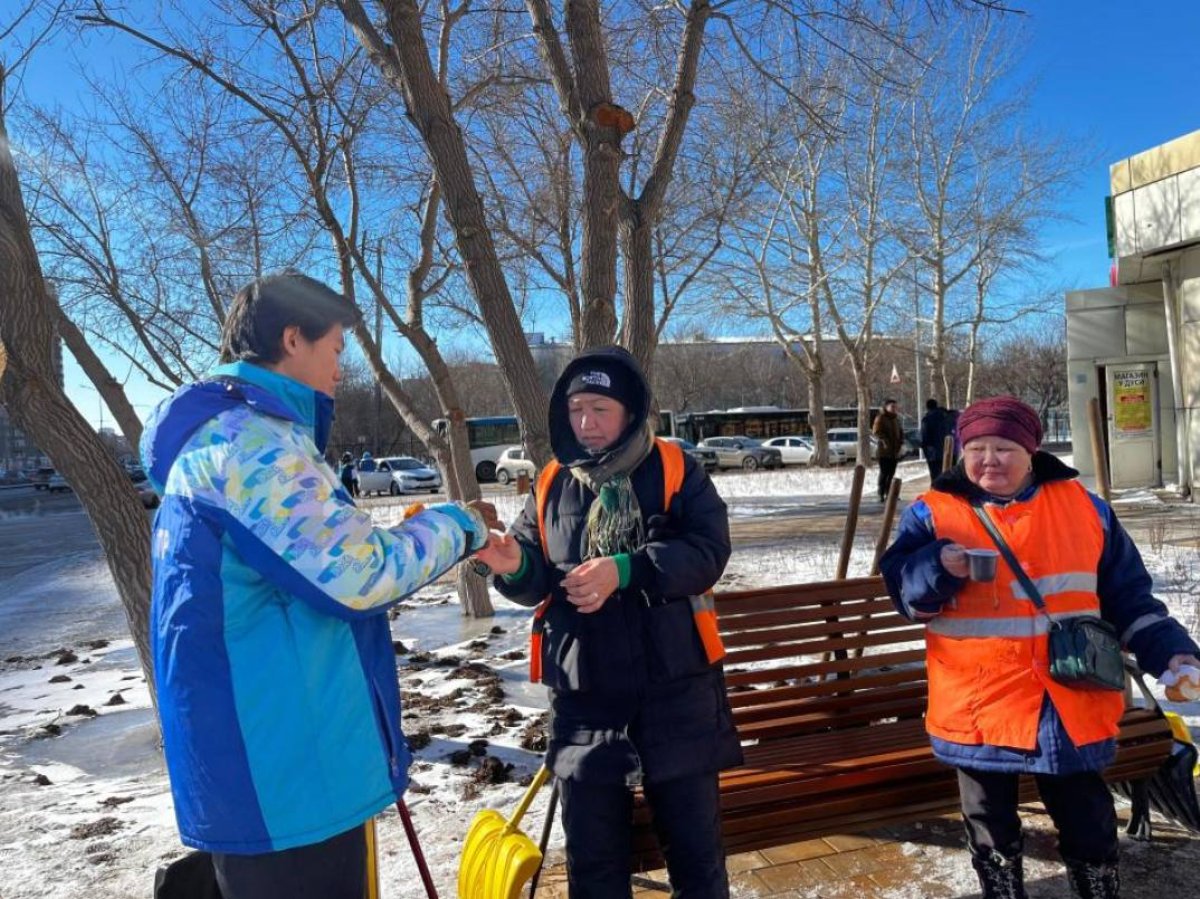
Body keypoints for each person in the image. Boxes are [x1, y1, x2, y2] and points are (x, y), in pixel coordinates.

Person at [139, 271, 498, 899]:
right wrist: (461, 525)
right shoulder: (251, 446)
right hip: (287, 779)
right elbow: (362, 574)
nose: (341, 369)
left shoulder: (219, 442)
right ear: (292, 339)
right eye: (335, 349)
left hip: (262, 769)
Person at [880, 395, 1200, 899]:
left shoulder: (1084, 508)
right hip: (977, 703)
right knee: (989, 823)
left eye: (1004, 447)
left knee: (1088, 817)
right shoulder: (931, 514)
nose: (989, 459)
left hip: (1066, 698)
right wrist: (940, 566)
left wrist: (1172, 653)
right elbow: (906, 596)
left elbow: (1128, 596)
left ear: (1032, 451)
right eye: (977, 447)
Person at [474, 346, 742, 899]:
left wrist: (626, 569)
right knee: (593, 867)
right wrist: (509, 564)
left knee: (697, 861)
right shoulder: (551, 483)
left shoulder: (673, 466)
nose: (586, 423)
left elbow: (708, 551)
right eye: (576, 410)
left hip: (676, 690)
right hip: (585, 695)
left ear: (630, 411)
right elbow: (534, 574)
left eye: (600, 408)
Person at [871, 397, 904, 501]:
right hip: (884, 451)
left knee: (891, 472)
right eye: (892, 406)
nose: (894, 408)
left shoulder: (895, 419)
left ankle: (889, 492)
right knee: (884, 472)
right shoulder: (881, 418)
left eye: (896, 407)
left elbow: (900, 431)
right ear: (886, 407)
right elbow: (876, 432)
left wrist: (901, 441)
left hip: (895, 451)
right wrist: (885, 441)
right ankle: (880, 493)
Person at [920, 397, 952, 483]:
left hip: (932, 451)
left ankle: (936, 491)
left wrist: (924, 447)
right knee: (945, 473)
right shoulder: (946, 417)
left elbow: (925, 436)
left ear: (927, 407)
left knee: (934, 474)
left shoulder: (927, 419)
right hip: (947, 449)